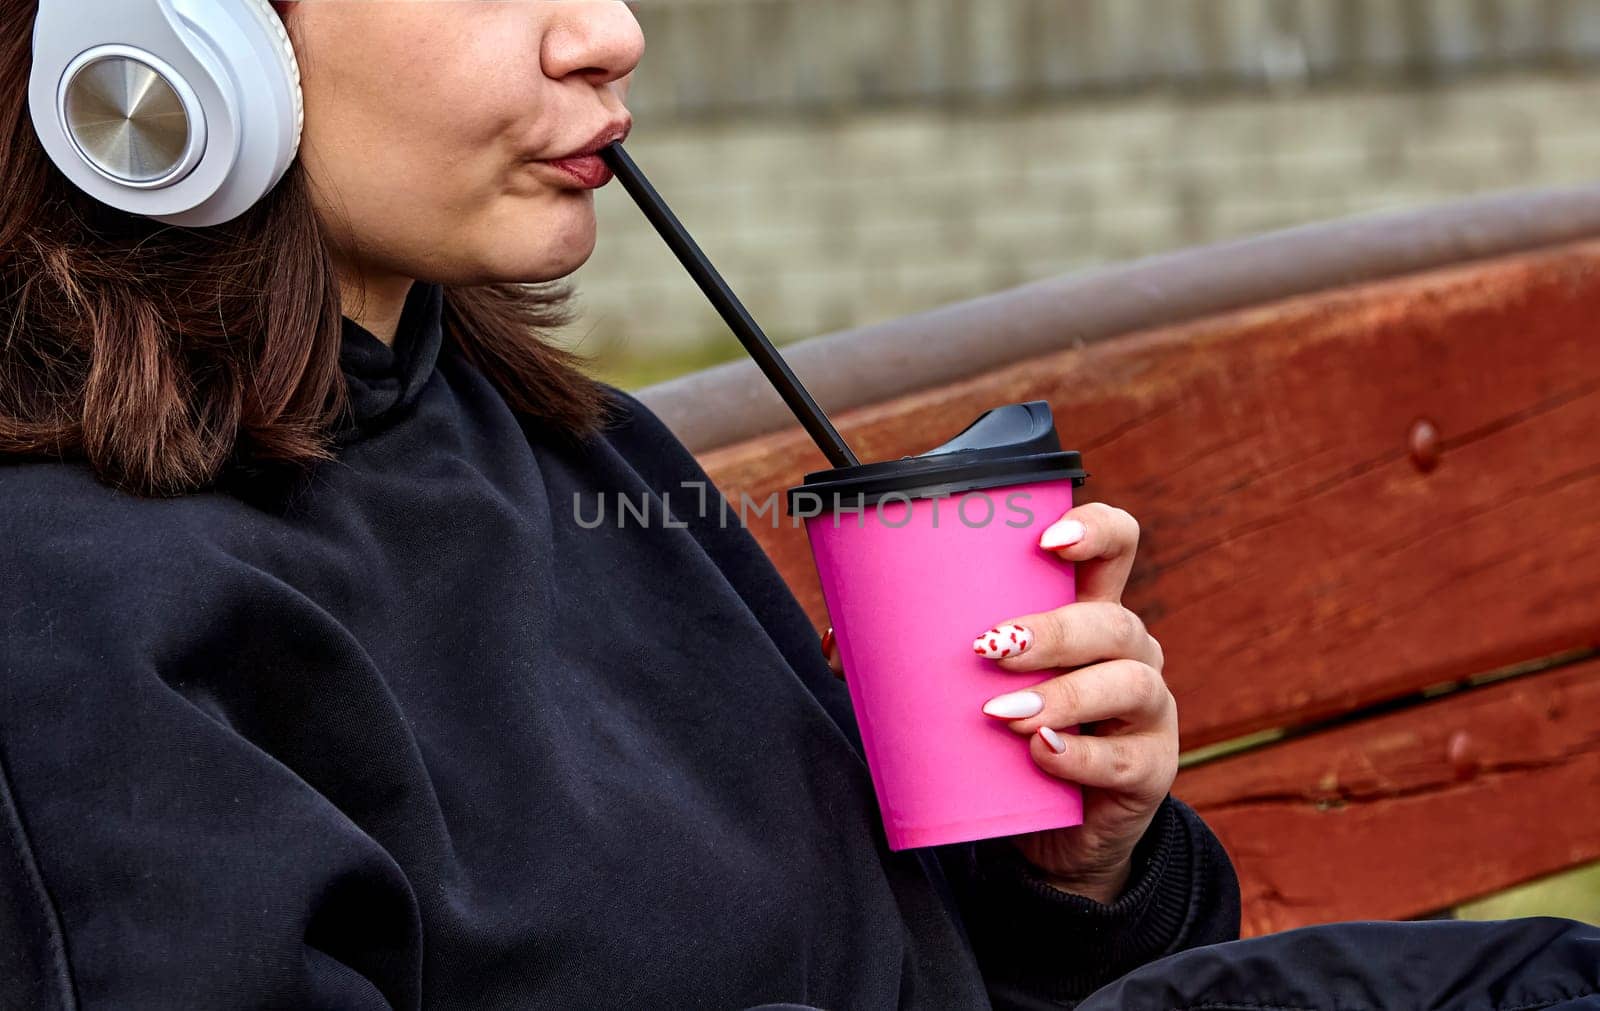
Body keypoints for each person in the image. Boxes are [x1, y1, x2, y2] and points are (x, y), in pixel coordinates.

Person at [0, 3, 1593, 1009]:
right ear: (177, 39)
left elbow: (928, 961)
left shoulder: (571, 446)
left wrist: (1081, 867)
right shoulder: (85, 608)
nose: (608, 30)